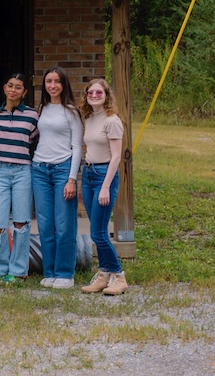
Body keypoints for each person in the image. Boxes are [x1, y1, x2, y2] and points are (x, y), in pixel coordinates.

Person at [0, 73, 39, 283]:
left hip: (22, 172)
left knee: (20, 223)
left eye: (18, 87)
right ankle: (0, 270)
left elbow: (33, 140)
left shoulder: (32, 116)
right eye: (10, 85)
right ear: (4, 88)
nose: (13, 90)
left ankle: (17, 271)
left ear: (24, 92)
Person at [32, 67, 83, 290]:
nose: (52, 85)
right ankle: (50, 272)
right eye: (48, 81)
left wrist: (72, 179)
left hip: (63, 169)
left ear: (64, 85)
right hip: (39, 169)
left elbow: (77, 147)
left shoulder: (71, 111)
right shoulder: (42, 109)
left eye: (57, 81)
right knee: (45, 224)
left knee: (64, 224)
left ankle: (65, 273)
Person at [79, 79, 129, 296]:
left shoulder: (112, 121)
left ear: (106, 95)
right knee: (96, 230)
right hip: (88, 174)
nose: (94, 95)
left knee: (98, 233)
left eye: (99, 92)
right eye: (90, 92)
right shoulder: (89, 118)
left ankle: (119, 276)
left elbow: (116, 157)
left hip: (104, 176)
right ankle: (103, 274)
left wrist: (105, 187)